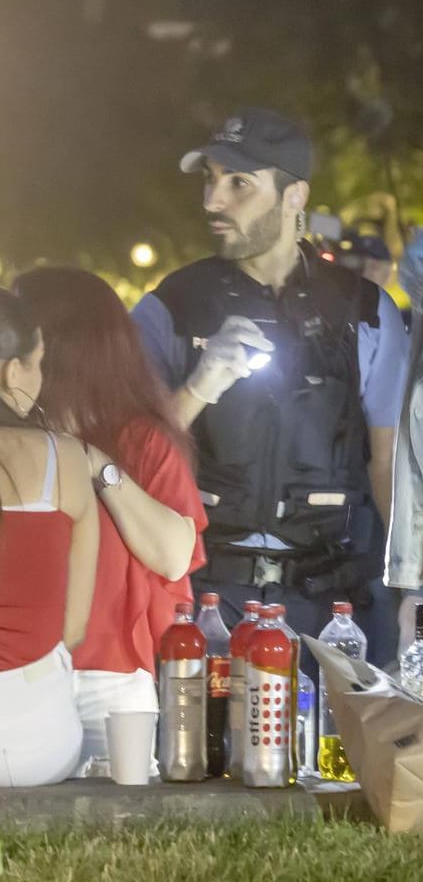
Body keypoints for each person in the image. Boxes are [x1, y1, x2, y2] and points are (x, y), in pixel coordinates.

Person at [132, 107, 409, 662]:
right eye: (210, 180)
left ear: (294, 197)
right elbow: (128, 456)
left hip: (332, 605)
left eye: (239, 183)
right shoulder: (172, 304)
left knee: (331, 751)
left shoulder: (367, 311)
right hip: (206, 600)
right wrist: (200, 386)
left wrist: (408, 585)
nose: (213, 200)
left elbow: (390, 465)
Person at [13, 268, 208, 777]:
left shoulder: (142, 442)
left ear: (60, 347)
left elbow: (173, 554)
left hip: (108, 682)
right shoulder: (16, 442)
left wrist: (95, 464)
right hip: (22, 674)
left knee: (117, 829)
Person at [0, 290, 99, 787]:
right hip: (37, 741)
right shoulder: (66, 459)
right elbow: (73, 627)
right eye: (37, 364)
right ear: (12, 372)